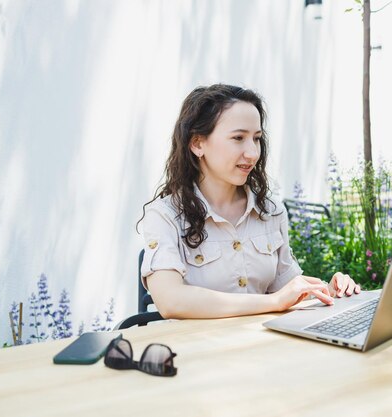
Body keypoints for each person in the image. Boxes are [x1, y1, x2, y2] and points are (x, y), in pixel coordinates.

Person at [138, 84, 361, 319]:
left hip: (263, 348)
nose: (253, 153)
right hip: (198, 351)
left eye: (256, 139)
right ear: (197, 143)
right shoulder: (164, 215)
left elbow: (287, 289)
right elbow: (171, 301)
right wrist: (272, 302)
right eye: (238, 138)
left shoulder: (271, 211)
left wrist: (327, 292)